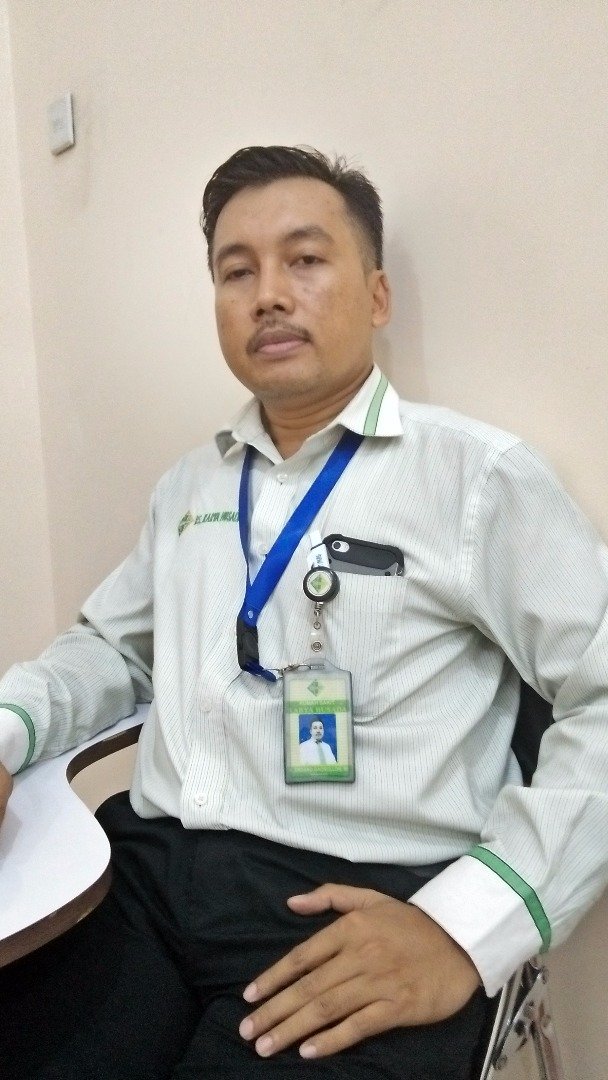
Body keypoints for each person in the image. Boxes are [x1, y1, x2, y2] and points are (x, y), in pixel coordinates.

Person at [1, 144, 608, 1080]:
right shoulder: (191, 487)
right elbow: (113, 652)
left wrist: (467, 926)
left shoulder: (475, 478)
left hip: (357, 906)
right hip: (152, 878)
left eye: (306, 259)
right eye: (236, 271)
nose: (269, 295)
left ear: (377, 295)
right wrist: (8, 731)